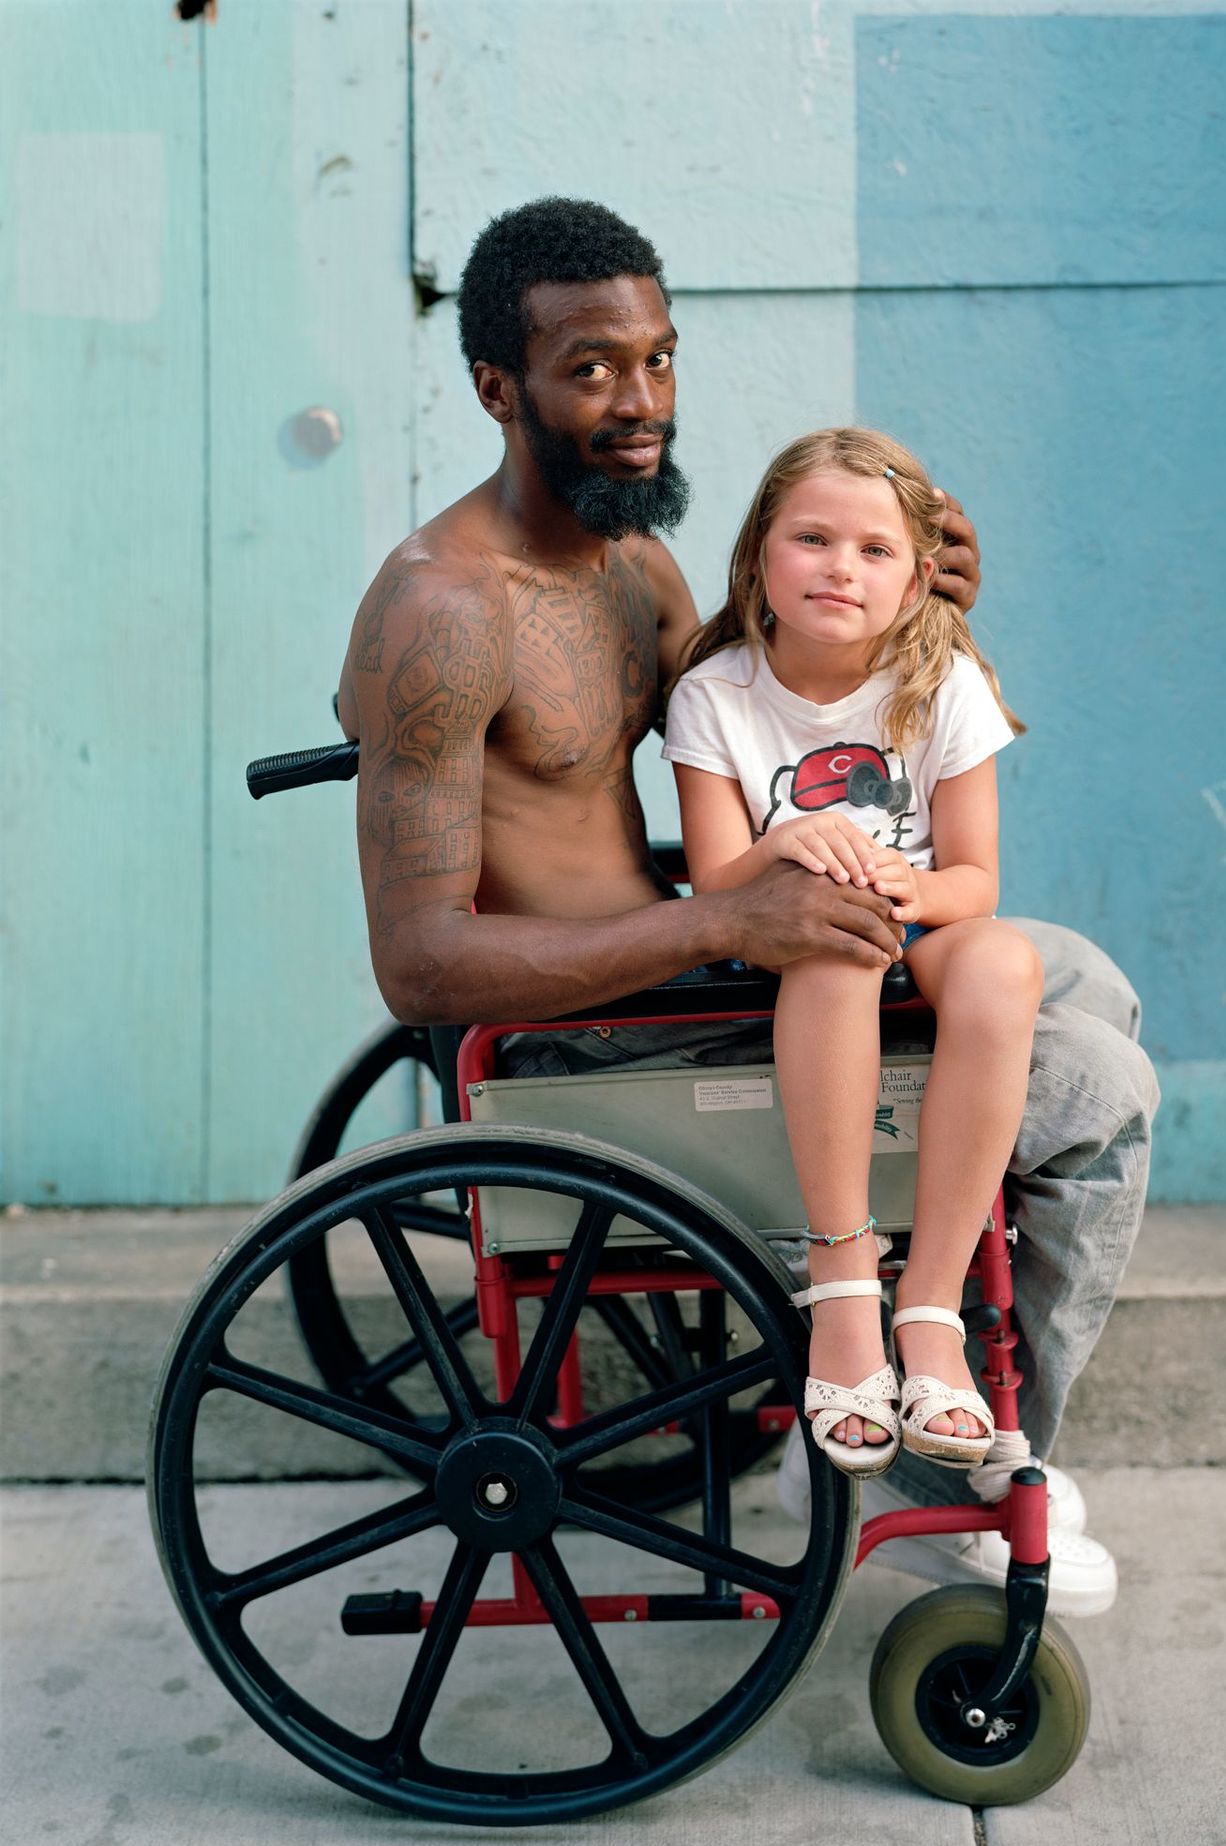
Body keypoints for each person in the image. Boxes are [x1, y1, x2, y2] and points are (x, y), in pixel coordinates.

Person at [336, 195, 1157, 1614]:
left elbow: (784, 696)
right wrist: (727, 924)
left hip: (710, 972)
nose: (641, 401)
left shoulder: (628, 561)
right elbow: (419, 966)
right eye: (590, 369)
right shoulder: (441, 613)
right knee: (1095, 1084)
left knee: (1074, 975)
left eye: (658, 359)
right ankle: (930, 1457)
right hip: (600, 1034)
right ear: (495, 388)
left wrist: (909, 605)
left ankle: (910, 1380)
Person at [664, 427, 1042, 1480]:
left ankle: (930, 1302)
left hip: (918, 915)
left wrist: (903, 886)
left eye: (875, 551)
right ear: (759, 559)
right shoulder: (716, 697)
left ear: (920, 579)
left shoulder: (943, 682)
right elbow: (715, 882)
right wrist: (787, 845)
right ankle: (842, 1288)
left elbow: (975, 881)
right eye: (813, 539)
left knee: (1005, 962)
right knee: (835, 938)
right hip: (797, 937)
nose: (841, 567)